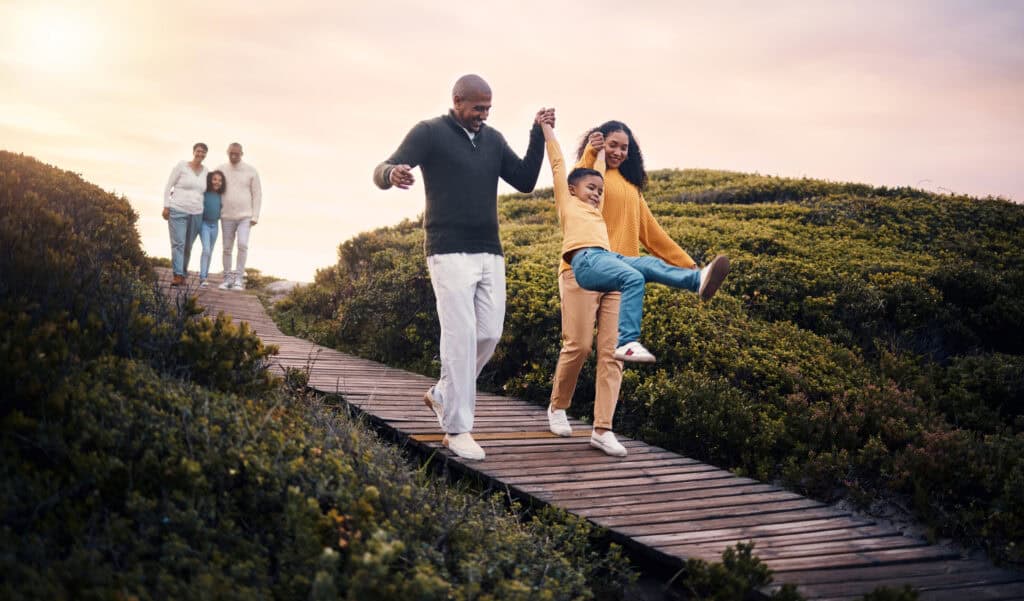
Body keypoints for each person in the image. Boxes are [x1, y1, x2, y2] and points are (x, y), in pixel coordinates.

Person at [372, 74, 549, 460]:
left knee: (489, 333)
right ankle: (456, 429)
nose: (483, 115)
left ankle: (441, 394)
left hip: (490, 251)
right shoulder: (430, 133)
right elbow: (382, 168)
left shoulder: (494, 140)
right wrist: (392, 174)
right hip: (447, 250)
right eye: (477, 108)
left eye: (488, 108)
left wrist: (537, 134)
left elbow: (524, 181)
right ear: (457, 101)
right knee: (461, 335)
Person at [546, 121, 728, 456]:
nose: (617, 151)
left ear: (632, 153)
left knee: (613, 353)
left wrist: (688, 265)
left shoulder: (631, 188)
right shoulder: (588, 177)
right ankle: (558, 406)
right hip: (581, 270)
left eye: (623, 147)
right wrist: (592, 149)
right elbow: (578, 176)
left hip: (621, 274)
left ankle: (603, 429)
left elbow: (652, 233)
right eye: (612, 145)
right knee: (579, 345)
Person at [162, 142, 209, 287]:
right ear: (193, 151)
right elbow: (168, 186)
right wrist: (166, 206)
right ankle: (177, 274)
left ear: (206, 154)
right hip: (177, 209)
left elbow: (208, 192)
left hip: (196, 213)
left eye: (203, 152)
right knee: (178, 243)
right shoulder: (181, 166)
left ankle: (183, 273)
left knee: (188, 245)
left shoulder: (206, 171)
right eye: (198, 151)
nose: (200, 154)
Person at [217, 143, 262, 290]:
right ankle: (227, 279)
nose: (234, 156)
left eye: (237, 154)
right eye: (231, 153)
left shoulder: (251, 171)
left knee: (242, 244)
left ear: (242, 153)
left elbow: (257, 195)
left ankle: (239, 280)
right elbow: (212, 188)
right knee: (227, 248)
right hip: (226, 216)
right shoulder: (221, 169)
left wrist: (255, 216)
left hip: (245, 217)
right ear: (227, 152)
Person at [198, 170, 225, 288]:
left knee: (210, 251)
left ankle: (205, 276)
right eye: (215, 179)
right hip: (204, 224)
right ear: (210, 180)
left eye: (220, 180)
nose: (217, 182)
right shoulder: (204, 193)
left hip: (215, 225)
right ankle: (203, 277)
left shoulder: (221, 196)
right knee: (206, 250)